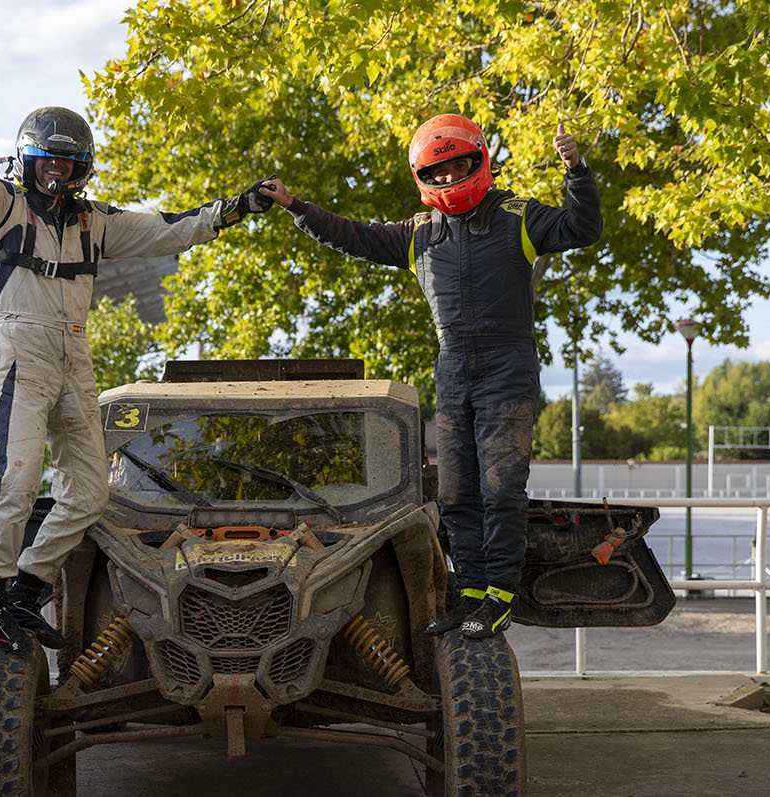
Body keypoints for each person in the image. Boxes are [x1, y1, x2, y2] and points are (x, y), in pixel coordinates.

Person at [0, 48, 273, 654]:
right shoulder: (3, 208)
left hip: (74, 355)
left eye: (66, 164)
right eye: (46, 163)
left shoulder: (98, 222)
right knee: (19, 479)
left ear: (81, 168)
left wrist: (236, 209)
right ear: (28, 163)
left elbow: (170, 227)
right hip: (21, 351)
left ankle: (25, 590)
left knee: (90, 491)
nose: (55, 175)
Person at [258, 115, 602, 639]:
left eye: (456, 166)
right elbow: (352, 236)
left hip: (508, 366)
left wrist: (576, 171)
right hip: (453, 368)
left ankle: (500, 597)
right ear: (423, 177)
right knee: (457, 493)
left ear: (479, 161)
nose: (447, 179)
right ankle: (467, 594)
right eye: (436, 172)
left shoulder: (519, 216)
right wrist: (294, 206)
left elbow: (583, 229)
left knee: (500, 488)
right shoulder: (418, 233)